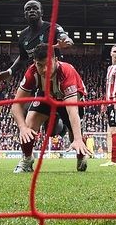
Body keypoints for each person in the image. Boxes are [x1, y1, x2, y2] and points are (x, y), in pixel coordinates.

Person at [11, 43, 91, 173]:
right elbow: (16, 105)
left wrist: (77, 139)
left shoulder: (66, 72)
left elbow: (72, 110)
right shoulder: (32, 72)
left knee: (74, 132)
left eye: (48, 64)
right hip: (47, 96)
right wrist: (22, 128)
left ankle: (81, 157)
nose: (44, 70)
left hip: (69, 100)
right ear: (34, 62)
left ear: (56, 60)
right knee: (29, 125)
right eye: (40, 65)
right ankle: (27, 159)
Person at [0, 0, 73, 82]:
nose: (31, 11)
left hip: (57, 76)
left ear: (41, 12)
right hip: (37, 77)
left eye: (35, 8)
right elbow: (23, 57)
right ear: (25, 15)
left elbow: (64, 37)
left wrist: (67, 41)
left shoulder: (53, 28)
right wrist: (9, 71)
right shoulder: (23, 35)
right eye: (28, 9)